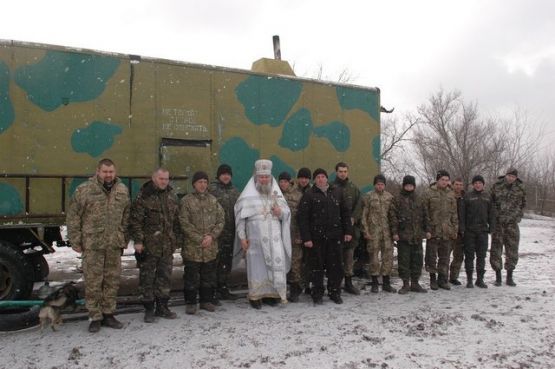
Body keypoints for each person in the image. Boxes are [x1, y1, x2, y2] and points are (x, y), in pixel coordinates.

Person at [66, 158, 130, 333]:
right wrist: (75, 240)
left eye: (111, 172)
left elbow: (126, 216)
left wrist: (122, 236)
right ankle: (95, 316)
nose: (108, 175)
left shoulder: (122, 190)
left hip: (113, 245)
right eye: (105, 171)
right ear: (98, 171)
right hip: (92, 244)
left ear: (115, 172)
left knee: (112, 280)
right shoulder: (84, 190)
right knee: (93, 282)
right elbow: (73, 217)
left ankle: (109, 314)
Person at [233, 160, 292, 309]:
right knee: (257, 268)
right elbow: (240, 218)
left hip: (274, 239)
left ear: (270, 177)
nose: (264, 180)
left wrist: (280, 213)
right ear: (256, 178)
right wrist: (242, 237)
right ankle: (256, 296)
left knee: (274, 264)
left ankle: (272, 295)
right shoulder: (247, 196)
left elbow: (286, 213)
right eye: (261, 177)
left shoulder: (276, 194)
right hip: (255, 240)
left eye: (266, 177)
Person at [128, 168, 180, 323]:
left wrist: (176, 239)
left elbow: (176, 220)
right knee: (147, 279)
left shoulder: (171, 196)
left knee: (165, 277)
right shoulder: (144, 196)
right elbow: (135, 221)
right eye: (161, 178)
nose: (164, 181)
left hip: (166, 245)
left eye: (166, 179)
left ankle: (162, 307)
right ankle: (149, 309)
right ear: (153, 178)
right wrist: (138, 241)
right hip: (149, 246)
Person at [298, 168, 353, 305]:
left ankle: (335, 292)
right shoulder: (309, 195)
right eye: (318, 177)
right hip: (316, 239)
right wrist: (307, 238)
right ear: (314, 180)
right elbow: (302, 218)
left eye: (323, 176)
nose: (321, 179)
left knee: (335, 267)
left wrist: (348, 232)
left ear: (327, 178)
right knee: (316, 268)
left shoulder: (337, 192)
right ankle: (317, 294)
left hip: (335, 237)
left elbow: (345, 213)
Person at [179, 171, 225, 314]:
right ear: (194, 184)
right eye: (200, 182)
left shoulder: (213, 200)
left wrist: (211, 237)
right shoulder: (186, 201)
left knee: (208, 276)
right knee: (191, 276)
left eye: (205, 182)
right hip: (193, 247)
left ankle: (206, 301)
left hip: (210, 247)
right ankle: (191, 302)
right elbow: (184, 223)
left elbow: (221, 220)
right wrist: (200, 239)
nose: (203, 185)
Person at [390, 175, 428, 294]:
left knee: (417, 260)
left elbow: (425, 216)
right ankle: (405, 284)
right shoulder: (397, 199)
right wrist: (395, 232)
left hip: (416, 236)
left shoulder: (419, 199)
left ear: (414, 186)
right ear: (403, 186)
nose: (409, 187)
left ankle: (415, 283)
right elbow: (393, 217)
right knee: (404, 261)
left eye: (411, 185)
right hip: (403, 236)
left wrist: (427, 230)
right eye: (407, 185)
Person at [209, 164, 241, 302]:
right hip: (216, 234)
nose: (226, 176)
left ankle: (223, 288)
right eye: (223, 174)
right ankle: (212, 291)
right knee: (213, 263)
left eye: (228, 174)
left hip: (230, 233)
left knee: (226, 262)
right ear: (218, 176)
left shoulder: (235, 191)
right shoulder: (212, 190)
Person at [423, 170, 458, 290]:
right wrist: (427, 229)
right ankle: (433, 279)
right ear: (437, 180)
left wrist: (455, 229)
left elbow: (454, 213)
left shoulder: (451, 194)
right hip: (433, 230)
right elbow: (425, 213)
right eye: (442, 179)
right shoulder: (428, 192)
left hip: (446, 231)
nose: (444, 182)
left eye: (447, 180)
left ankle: (442, 280)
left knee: (445, 257)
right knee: (431, 257)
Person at [490, 168, 526, 286]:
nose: (511, 178)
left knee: (512, 251)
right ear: (506, 175)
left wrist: (518, 217)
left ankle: (509, 277)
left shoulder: (520, 188)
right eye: (509, 176)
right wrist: (494, 217)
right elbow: (491, 202)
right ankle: (498, 277)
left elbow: (523, 204)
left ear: (516, 178)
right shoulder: (497, 186)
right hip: (498, 224)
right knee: (496, 250)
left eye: (513, 176)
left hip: (512, 224)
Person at [361, 174, 396, 293]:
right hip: (373, 232)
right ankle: (375, 282)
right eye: (378, 184)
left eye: (382, 184)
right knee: (374, 259)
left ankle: (386, 282)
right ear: (374, 184)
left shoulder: (389, 197)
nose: (380, 186)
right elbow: (364, 216)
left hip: (387, 233)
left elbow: (393, 216)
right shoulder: (369, 196)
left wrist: (394, 232)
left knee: (388, 258)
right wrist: (365, 231)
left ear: (384, 185)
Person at [462, 175, 495, 288]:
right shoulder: (467, 196)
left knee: (481, 256)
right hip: (469, 231)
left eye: (480, 183)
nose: (478, 184)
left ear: (483, 184)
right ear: (473, 184)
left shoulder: (488, 197)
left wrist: (492, 227)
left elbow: (491, 213)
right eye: (475, 183)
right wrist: (463, 228)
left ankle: (480, 279)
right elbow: (462, 214)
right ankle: (469, 280)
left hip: (483, 231)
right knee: (469, 256)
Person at [333, 162, 362, 295]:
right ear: (336, 172)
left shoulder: (353, 188)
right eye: (340, 171)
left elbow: (359, 206)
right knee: (336, 258)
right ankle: (336, 285)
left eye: (345, 171)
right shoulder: (331, 188)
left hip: (350, 230)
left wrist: (353, 219)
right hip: (335, 230)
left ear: (347, 172)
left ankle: (349, 283)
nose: (343, 173)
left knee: (349, 257)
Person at [278, 171, 304, 302]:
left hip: (294, 235)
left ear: (290, 182)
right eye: (281, 181)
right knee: (281, 262)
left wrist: (300, 235)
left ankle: (295, 289)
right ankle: (281, 289)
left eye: (285, 181)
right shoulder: (275, 195)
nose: (283, 184)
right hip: (279, 236)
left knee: (295, 262)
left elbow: (302, 217)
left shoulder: (298, 196)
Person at [449, 178, 466, 285]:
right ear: (453, 185)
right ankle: (442, 277)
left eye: (460, 184)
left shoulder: (465, 198)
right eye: (456, 184)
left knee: (459, 256)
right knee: (445, 256)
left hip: (461, 232)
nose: (458, 186)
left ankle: (454, 277)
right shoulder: (448, 196)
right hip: (449, 231)